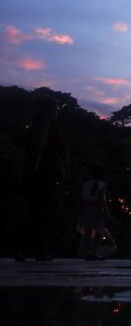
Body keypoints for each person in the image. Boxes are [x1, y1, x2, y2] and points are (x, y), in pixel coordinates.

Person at [16, 96, 65, 262]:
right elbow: (61, 150)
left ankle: (22, 248)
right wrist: (64, 170)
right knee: (42, 213)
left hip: (30, 173)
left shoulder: (32, 127)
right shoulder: (50, 127)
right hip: (45, 174)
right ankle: (40, 251)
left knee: (31, 212)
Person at [76, 163, 117, 260]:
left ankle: (84, 252)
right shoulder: (102, 185)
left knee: (87, 232)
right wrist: (107, 213)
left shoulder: (86, 184)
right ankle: (93, 252)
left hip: (87, 210)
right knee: (99, 232)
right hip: (97, 210)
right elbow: (102, 200)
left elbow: (82, 198)